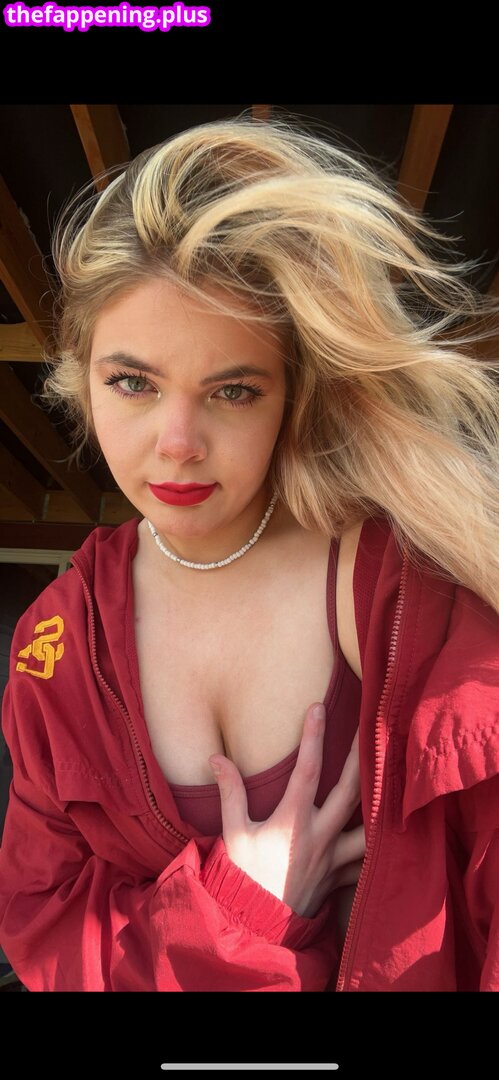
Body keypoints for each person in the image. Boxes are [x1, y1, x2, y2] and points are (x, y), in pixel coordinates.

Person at [0, 112, 498, 993]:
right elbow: (44, 930)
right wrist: (240, 912)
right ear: (80, 377)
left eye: (232, 390)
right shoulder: (56, 646)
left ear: (290, 398)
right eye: (133, 382)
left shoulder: (410, 589)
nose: (178, 444)